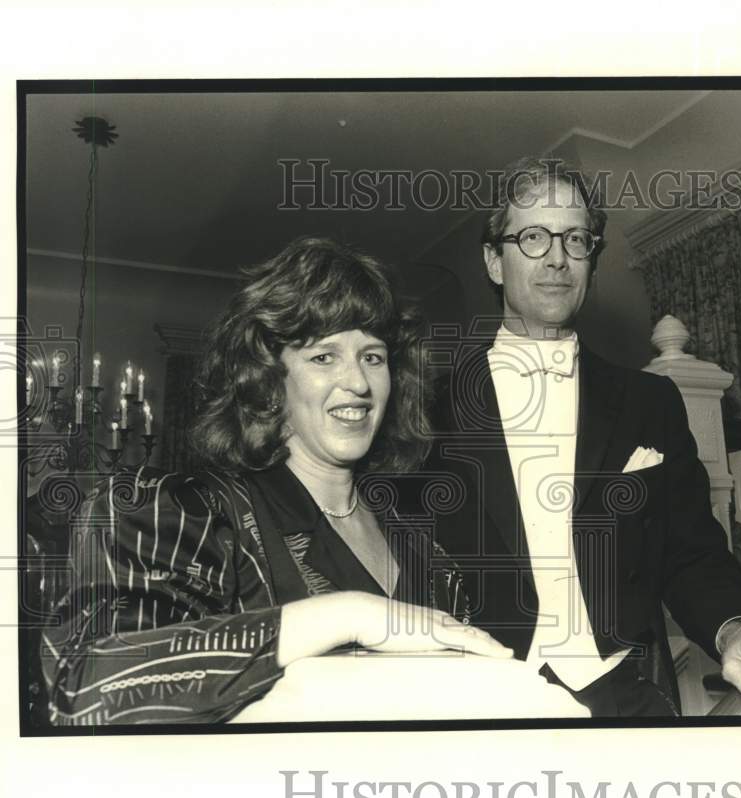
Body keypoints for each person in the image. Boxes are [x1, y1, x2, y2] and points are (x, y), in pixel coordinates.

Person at [41, 236, 511, 726]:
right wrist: (347, 615)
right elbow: (87, 687)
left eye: (373, 356)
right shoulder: (176, 510)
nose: (358, 382)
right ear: (267, 377)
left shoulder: (427, 553)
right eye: (323, 357)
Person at [427, 157, 741, 717]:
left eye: (576, 240)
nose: (557, 259)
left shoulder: (649, 402)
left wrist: (736, 629)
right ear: (494, 260)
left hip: (626, 695)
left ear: (592, 260)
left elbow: (692, 551)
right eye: (533, 238)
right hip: (483, 704)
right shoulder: (427, 411)